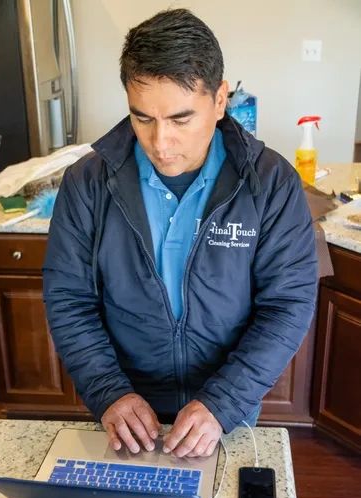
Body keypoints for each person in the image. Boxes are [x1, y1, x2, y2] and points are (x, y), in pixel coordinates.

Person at [43, 9, 318, 459]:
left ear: (221, 99)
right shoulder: (87, 182)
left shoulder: (270, 182)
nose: (160, 143)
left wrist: (222, 402)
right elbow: (69, 298)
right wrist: (110, 392)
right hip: (125, 404)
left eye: (180, 119)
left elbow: (287, 305)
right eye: (143, 118)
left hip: (225, 404)